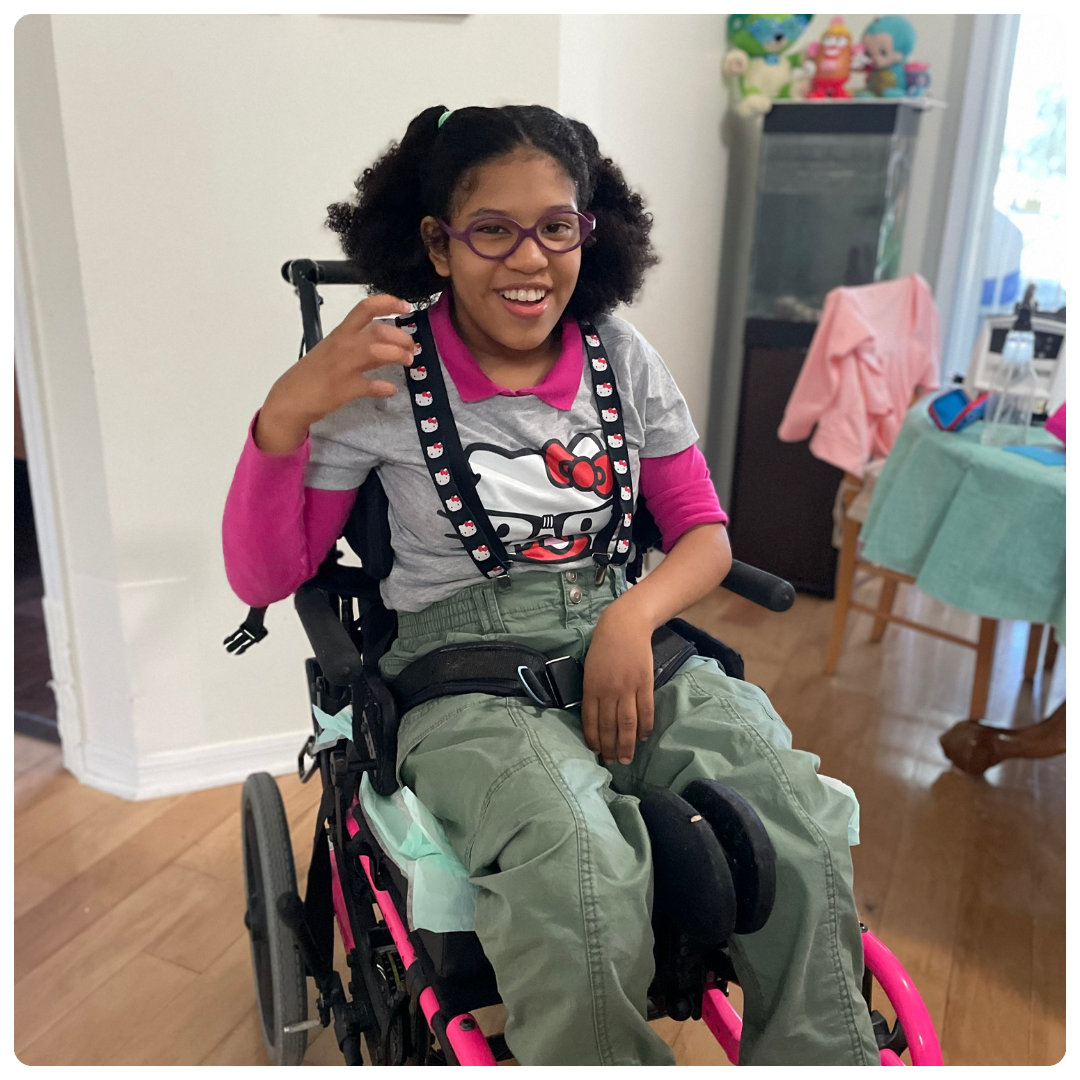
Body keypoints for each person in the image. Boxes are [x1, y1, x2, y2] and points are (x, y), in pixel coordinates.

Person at [223, 104, 879, 1067]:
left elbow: (700, 532)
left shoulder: (622, 356)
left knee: (795, 811)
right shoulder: (381, 377)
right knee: (577, 862)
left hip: (630, 628)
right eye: (493, 229)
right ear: (438, 245)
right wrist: (285, 413)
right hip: (459, 664)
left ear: (589, 230)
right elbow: (268, 573)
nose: (529, 258)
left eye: (556, 226)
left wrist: (632, 615)